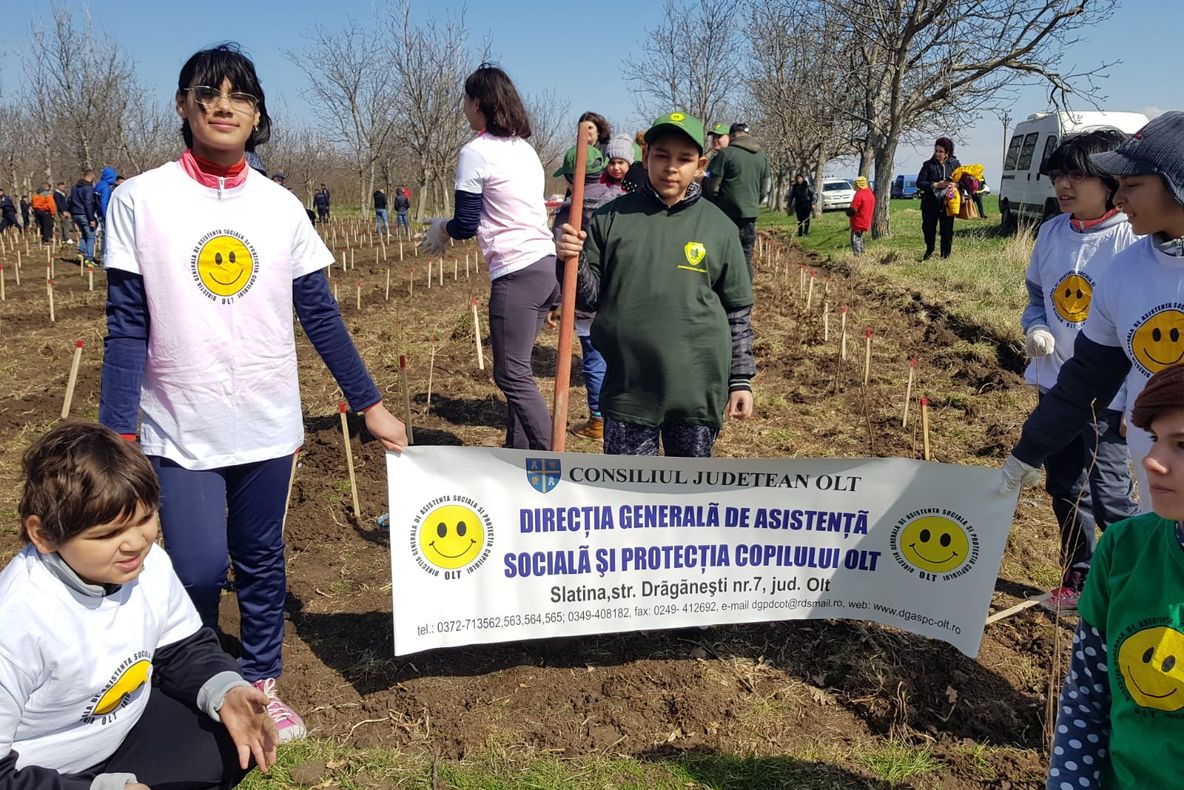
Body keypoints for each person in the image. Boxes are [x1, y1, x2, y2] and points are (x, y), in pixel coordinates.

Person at [98, 43, 409, 743]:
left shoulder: (280, 207)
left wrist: (371, 405)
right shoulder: (139, 200)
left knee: (262, 554)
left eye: (239, 95)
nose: (222, 104)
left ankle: (261, 682)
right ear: (182, 106)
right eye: (206, 93)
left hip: (268, 421)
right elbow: (125, 326)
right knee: (201, 563)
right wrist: (114, 434)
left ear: (257, 114)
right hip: (177, 423)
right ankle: (201, 677)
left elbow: (320, 314)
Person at [0, 422, 278, 789]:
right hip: (37, 770)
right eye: (108, 534)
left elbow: (182, 648)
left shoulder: (148, 565)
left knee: (229, 734)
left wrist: (225, 690)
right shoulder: (16, 620)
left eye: (145, 518)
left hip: (120, 736)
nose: (136, 543)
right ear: (44, 535)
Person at [1001, 111, 1184, 518]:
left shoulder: (1120, 247)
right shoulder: (1128, 268)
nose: (1120, 199)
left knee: (1112, 500)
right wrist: (1028, 452)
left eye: (1132, 185)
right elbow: (1087, 377)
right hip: (1160, 480)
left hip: (1141, 437)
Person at [557, 111, 755, 457]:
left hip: (696, 389)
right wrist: (570, 261)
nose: (671, 167)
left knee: (688, 500)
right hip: (628, 387)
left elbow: (737, 311)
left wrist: (740, 380)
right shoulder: (611, 217)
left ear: (701, 164)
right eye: (661, 156)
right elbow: (589, 299)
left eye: (684, 159)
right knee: (627, 496)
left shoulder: (719, 227)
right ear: (646, 156)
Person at [1018, 130, 1141, 611]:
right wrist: (1035, 328)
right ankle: (1080, 577)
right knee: (1064, 486)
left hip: (1112, 397)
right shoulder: (1051, 232)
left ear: (1109, 180)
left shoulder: (1132, 236)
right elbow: (1034, 298)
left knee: (1111, 496)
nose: (1063, 186)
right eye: (1057, 175)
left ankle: (1133, 589)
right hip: (1056, 387)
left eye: (1076, 175)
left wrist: (1135, 398)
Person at [1045, 364, 1184, 788]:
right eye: (1156, 440)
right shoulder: (1123, 549)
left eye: (1183, 445)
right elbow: (1088, 695)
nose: (1152, 461)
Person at [419, 63, 558, 450]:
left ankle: (554, 461)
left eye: (465, 100)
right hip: (545, 266)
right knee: (522, 371)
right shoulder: (525, 150)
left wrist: (440, 228)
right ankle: (519, 457)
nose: (463, 107)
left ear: (478, 102)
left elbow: (466, 222)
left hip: (516, 272)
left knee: (510, 375)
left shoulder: (475, 152)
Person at [551, 144, 626, 441]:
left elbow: (563, 260)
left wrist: (557, 301)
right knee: (620, 360)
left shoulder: (570, 212)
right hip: (620, 295)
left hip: (587, 297)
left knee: (594, 361)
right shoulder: (623, 202)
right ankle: (620, 416)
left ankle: (598, 420)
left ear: (571, 177)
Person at [703, 122, 770, 278]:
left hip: (726, 216)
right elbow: (763, 190)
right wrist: (751, 204)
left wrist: (718, 203)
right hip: (749, 217)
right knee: (745, 258)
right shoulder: (762, 156)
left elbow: (713, 187)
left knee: (723, 257)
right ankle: (745, 295)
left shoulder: (726, 155)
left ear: (731, 136)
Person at [916, 137, 961, 260]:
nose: (937, 154)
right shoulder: (928, 165)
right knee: (928, 229)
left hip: (947, 203)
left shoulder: (955, 164)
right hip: (930, 204)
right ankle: (929, 249)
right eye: (936, 150)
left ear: (947, 152)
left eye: (941, 151)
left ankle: (945, 256)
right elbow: (919, 182)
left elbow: (963, 181)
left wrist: (955, 185)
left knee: (946, 231)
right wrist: (934, 185)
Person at [69, 170, 98, 266]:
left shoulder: (74, 187)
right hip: (84, 214)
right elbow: (88, 204)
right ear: (92, 177)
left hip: (75, 214)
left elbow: (70, 200)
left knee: (84, 234)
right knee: (91, 236)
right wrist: (91, 219)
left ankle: (81, 251)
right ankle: (89, 259)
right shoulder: (88, 188)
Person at [848, 176, 874, 255]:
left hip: (858, 221)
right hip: (866, 220)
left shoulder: (859, 195)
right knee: (860, 238)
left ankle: (857, 256)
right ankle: (862, 253)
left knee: (855, 239)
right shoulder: (870, 193)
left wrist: (848, 212)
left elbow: (852, 209)